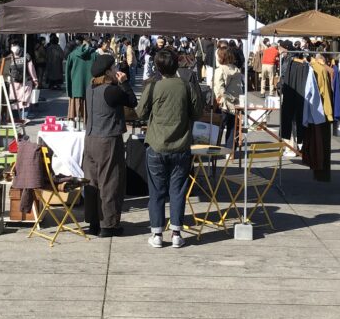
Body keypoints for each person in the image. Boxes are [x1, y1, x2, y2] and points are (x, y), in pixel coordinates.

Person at [136, 48, 203, 249]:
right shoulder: (186, 85)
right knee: (177, 191)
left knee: (156, 191)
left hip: (156, 144)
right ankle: (176, 232)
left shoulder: (153, 86)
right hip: (181, 146)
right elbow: (198, 112)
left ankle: (157, 233)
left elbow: (140, 112)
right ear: (177, 64)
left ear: (157, 67)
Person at [82, 53, 137, 237]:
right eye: (113, 68)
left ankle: (93, 222)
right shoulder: (111, 90)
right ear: (107, 71)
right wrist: (124, 82)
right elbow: (132, 101)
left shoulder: (90, 87)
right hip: (108, 140)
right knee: (110, 181)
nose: (116, 71)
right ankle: (108, 224)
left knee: (92, 182)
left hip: (90, 138)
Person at [212, 46, 244, 148]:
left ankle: (215, 151)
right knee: (232, 128)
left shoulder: (220, 70)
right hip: (236, 104)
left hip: (223, 103)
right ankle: (229, 151)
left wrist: (226, 97)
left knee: (219, 128)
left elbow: (220, 89)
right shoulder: (237, 70)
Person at [65, 36, 95, 126]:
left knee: (74, 115)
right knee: (89, 115)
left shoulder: (72, 55)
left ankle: (75, 127)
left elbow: (67, 75)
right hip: (90, 88)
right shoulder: (95, 55)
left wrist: (69, 91)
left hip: (75, 88)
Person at [6, 41, 38, 121]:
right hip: (25, 82)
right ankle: (24, 117)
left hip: (15, 83)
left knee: (14, 100)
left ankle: (16, 118)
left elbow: (6, 70)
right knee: (25, 100)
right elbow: (31, 69)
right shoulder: (26, 56)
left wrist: (7, 79)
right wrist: (35, 80)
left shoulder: (10, 57)